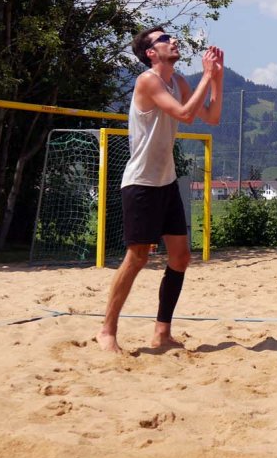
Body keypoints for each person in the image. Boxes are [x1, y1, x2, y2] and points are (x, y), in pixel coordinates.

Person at [96, 27, 224, 354]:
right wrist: (206, 76)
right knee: (137, 257)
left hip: (165, 181)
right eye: (164, 39)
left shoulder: (177, 81)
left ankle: (162, 333)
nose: (173, 40)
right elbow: (183, 113)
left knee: (180, 257)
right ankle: (107, 331)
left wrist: (217, 79)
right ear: (151, 52)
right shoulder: (147, 80)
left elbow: (210, 117)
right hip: (141, 183)